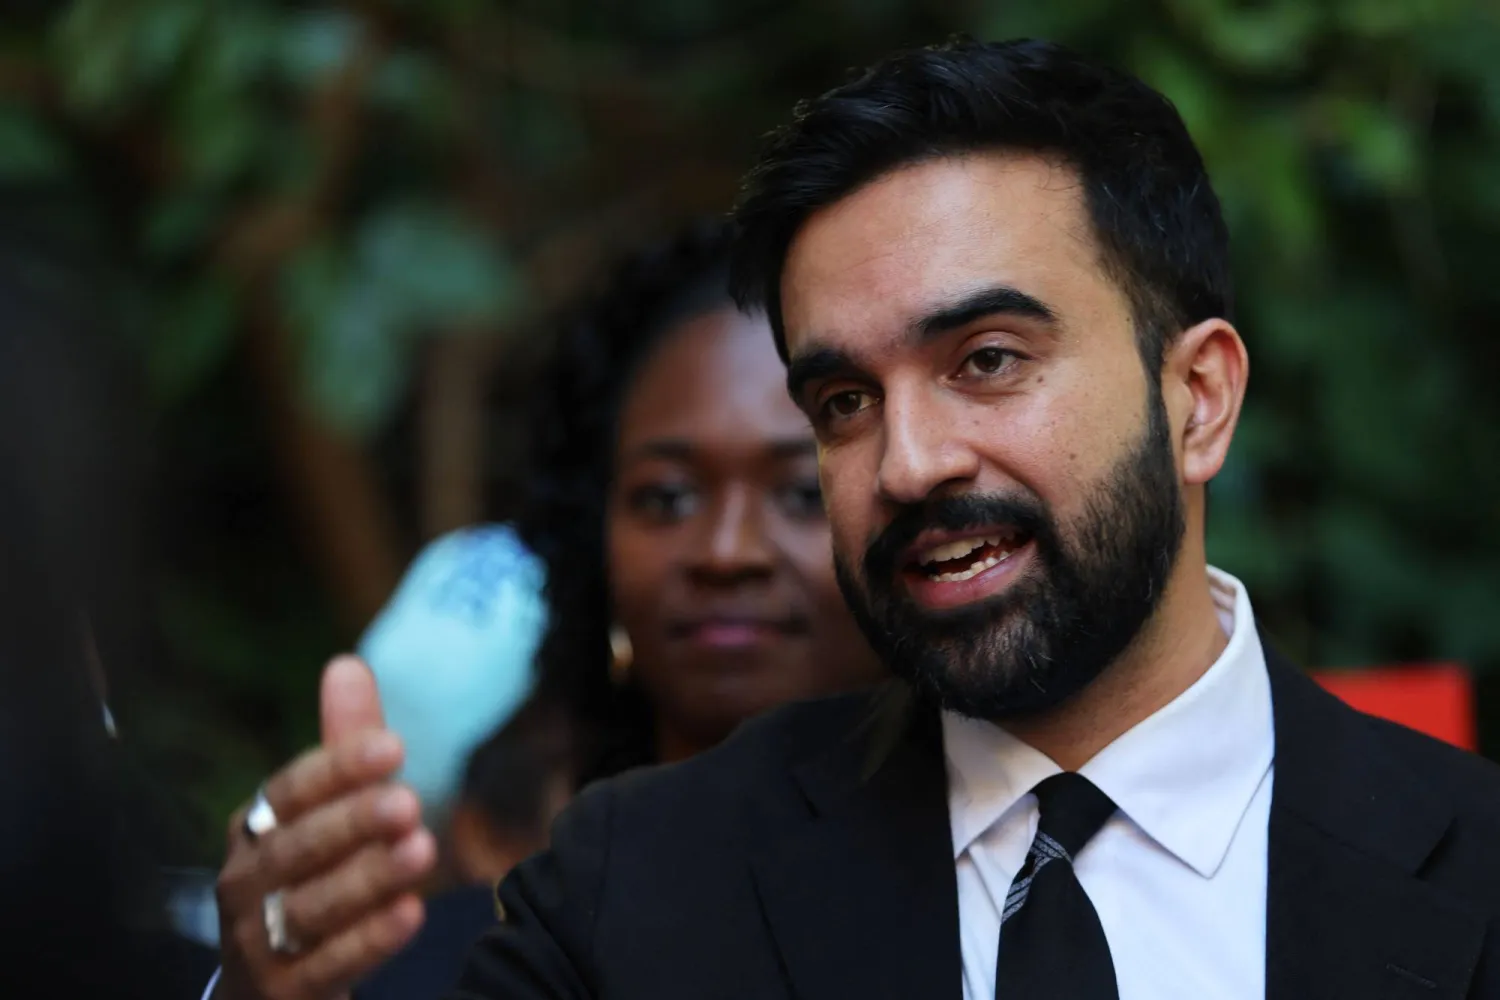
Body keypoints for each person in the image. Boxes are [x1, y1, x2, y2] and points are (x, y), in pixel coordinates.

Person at [438, 37, 1500, 999]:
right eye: (845, 403)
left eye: (987, 360)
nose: (907, 464)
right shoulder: (639, 884)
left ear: (1200, 399)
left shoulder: (1473, 867)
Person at [209, 221, 886, 1000]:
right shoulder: (462, 957)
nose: (725, 551)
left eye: (801, 494)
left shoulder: (1008, 908)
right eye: (667, 497)